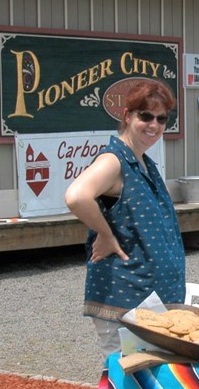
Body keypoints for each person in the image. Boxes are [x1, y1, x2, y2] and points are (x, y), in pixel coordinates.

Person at [64, 79, 186, 356]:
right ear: (128, 116)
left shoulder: (143, 162)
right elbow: (76, 196)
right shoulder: (114, 160)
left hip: (150, 303)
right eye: (145, 116)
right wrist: (106, 235)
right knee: (125, 384)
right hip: (126, 302)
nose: (153, 124)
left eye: (161, 118)